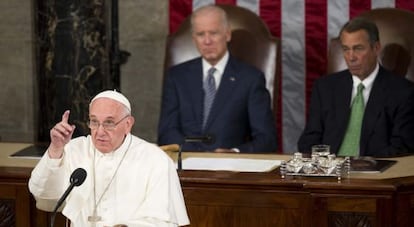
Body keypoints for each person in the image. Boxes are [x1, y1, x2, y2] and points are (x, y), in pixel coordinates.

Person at [29, 90, 190, 226]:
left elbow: (163, 221)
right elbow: (45, 197)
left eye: (109, 123)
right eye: (94, 122)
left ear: (128, 124)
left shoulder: (154, 160)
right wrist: (56, 148)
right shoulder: (74, 149)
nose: (99, 132)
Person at [157, 5, 277, 153]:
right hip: (185, 165)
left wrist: (235, 153)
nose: (207, 41)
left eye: (213, 33)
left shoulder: (251, 78)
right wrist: (197, 156)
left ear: (227, 35)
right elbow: (167, 132)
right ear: (194, 38)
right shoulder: (177, 77)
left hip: (230, 170)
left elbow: (267, 139)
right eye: (200, 34)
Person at [298, 17, 414, 157]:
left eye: (358, 48)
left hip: (374, 174)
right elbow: (308, 141)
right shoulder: (324, 88)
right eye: (346, 49)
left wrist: (361, 167)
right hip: (328, 173)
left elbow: (401, 149)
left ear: (376, 48)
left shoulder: (403, 92)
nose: (351, 57)